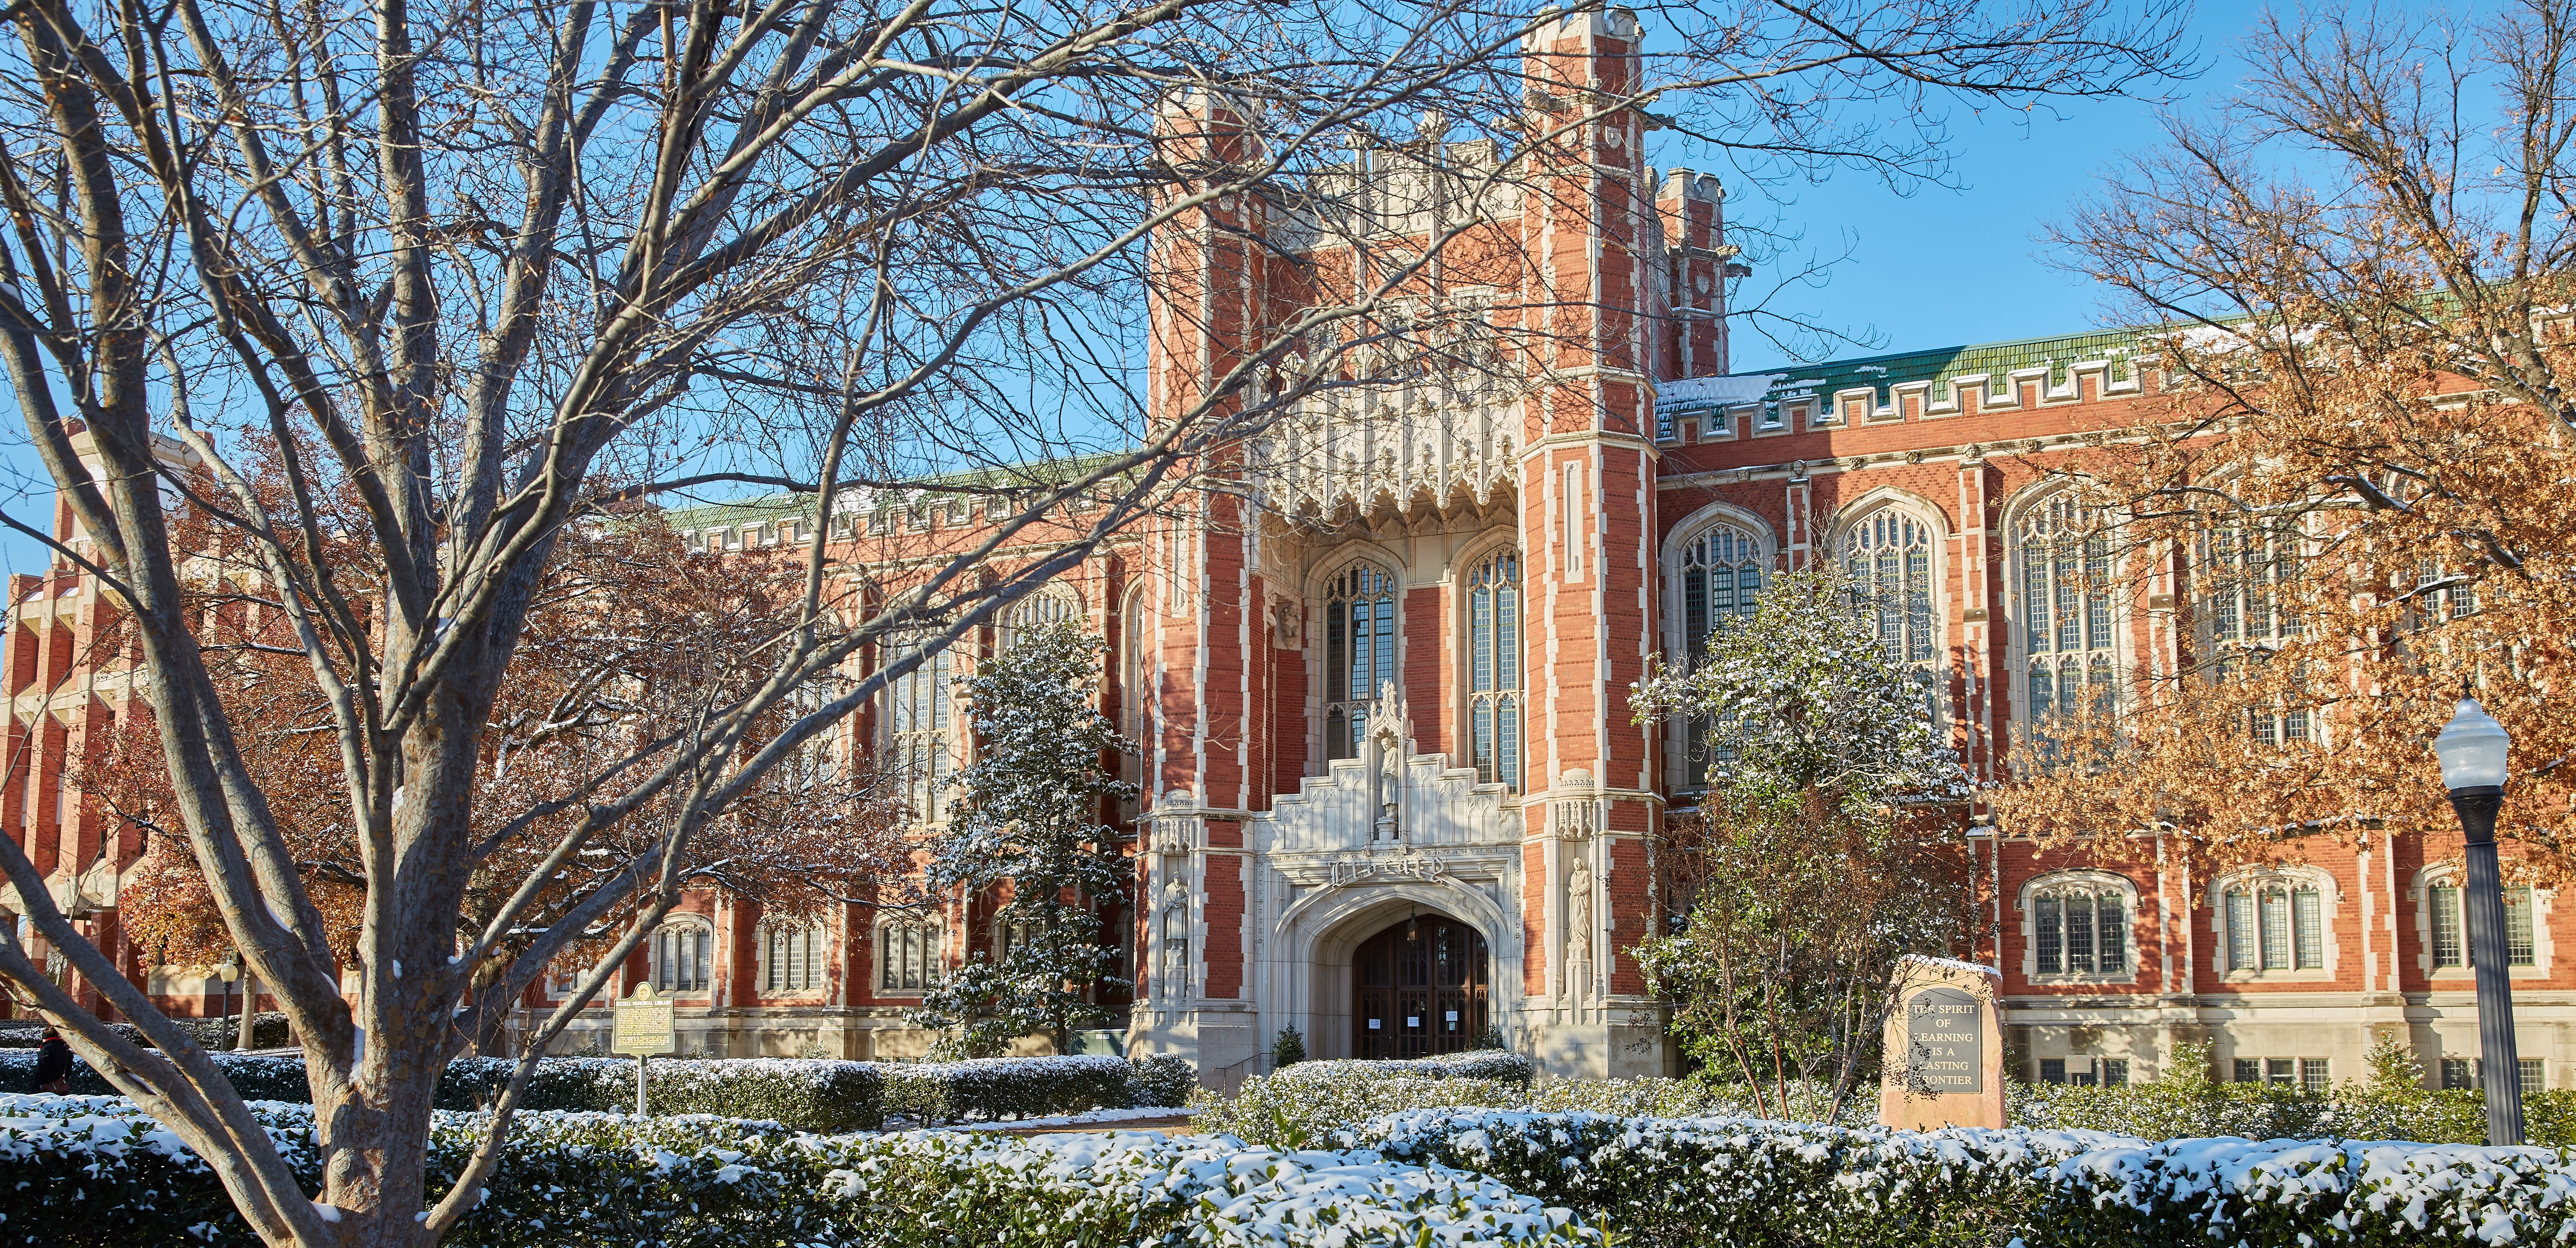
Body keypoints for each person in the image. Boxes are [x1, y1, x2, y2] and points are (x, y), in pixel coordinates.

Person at [30, 1027, 72, 1095]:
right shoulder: (66, 1050)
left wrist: (35, 1088)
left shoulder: (46, 1050)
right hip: (62, 1088)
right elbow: (68, 1071)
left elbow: (41, 1071)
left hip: (48, 1089)